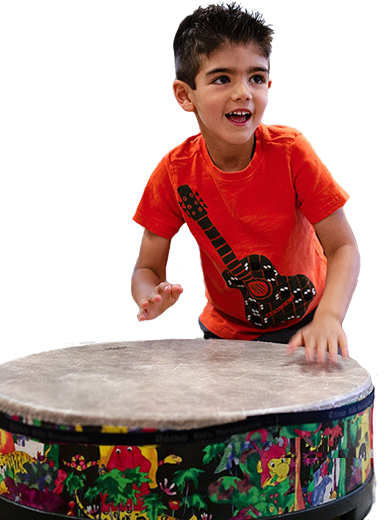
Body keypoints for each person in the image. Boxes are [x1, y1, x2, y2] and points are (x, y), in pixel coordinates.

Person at [131, 5, 360, 365]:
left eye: (256, 77)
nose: (243, 92)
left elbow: (344, 248)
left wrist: (330, 318)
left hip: (308, 320)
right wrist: (151, 297)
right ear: (184, 95)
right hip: (228, 330)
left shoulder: (292, 153)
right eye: (222, 79)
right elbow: (146, 269)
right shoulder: (174, 172)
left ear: (269, 84)